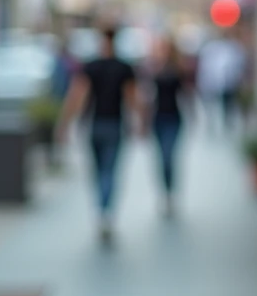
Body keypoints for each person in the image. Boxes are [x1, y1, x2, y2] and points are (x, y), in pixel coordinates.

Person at [57, 26, 140, 244]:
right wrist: (140, 122)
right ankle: (106, 213)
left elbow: (77, 96)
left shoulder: (91, 66)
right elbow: (132, 99)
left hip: (95, 125)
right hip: (114, 124)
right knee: (109, 171)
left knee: (98, 171)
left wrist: (65, 124)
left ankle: (102, 211)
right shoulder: (124, 67)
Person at [148, 37, 193, 217]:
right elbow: (147, 96)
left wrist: (194, 115)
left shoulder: (178, 70)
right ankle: (165, 193)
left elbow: (186, 93)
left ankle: (170, 193)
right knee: (161, 158)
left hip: (174, 119)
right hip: (157, 119)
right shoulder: (153, 69)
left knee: (169, 157)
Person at [195, 29, 247, 133]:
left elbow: (238, 67)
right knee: (211, 105)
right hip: (212, 84)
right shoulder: (211, 49)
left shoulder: (232, 48)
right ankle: (213, 123)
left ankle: (225, 123)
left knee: (226, 105)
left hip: (227, 83)